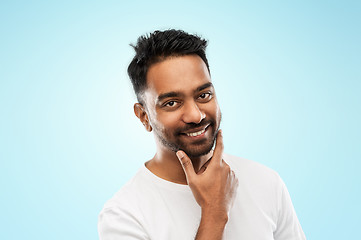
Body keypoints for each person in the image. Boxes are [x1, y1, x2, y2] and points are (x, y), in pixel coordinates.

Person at [98, 29, 306, 240]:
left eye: (203, 95)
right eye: (172, 103)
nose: (195, 115)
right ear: (143, 116)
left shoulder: (266, 182)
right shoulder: (123, 215)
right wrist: (215, 211)